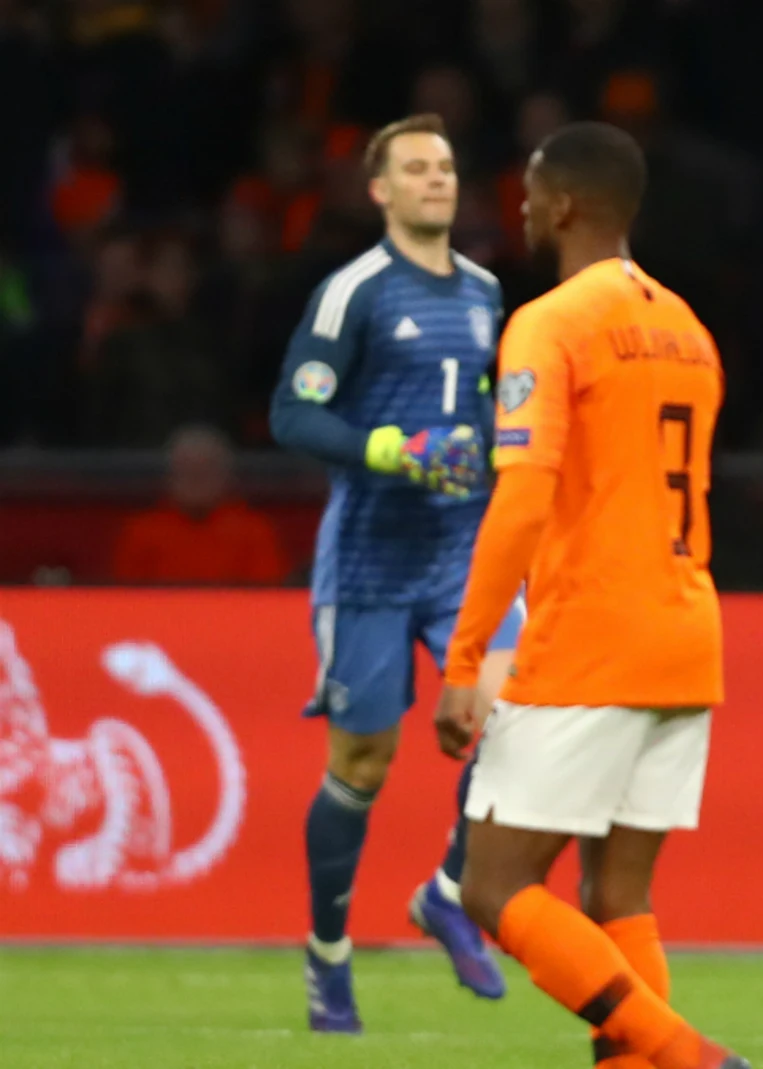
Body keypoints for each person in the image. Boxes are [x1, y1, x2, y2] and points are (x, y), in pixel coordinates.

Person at [433, 121, 747, 1069]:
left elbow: (523, 493)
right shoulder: (689, 330)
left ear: (564, 204)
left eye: (528, 191)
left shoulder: (549, 322)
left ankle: (695, 1059)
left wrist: (464, 657)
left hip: (591, 638)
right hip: (686, 634)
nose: (519, 206)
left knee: (493, 887)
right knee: (618, 897)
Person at [268, 113, 519, 1032]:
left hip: (464, 555)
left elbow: (488, 409)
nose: (435, 179)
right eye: (414, 168)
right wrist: (390, 446)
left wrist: (487, 452)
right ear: (379, 189)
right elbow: (293, 414)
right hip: (371, 563)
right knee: (363, 762)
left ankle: (448, 891)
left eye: (446, 166)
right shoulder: (355, 291)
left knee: (520, 716)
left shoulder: (488, 291)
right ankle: (328, 956)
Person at [111, 425, 287, 585]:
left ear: (227, 476)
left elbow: (266, 598)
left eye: (207, 470)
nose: (196, 479)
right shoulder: (142, 532)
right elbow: (125, 598)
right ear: (169, 476)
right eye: (187, 469)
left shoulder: (254, 531)